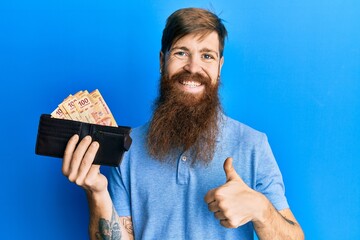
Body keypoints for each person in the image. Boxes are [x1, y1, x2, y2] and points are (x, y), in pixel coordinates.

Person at [62, 7, 304, 240]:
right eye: (181, 53)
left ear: (219, 67)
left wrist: (260, 209)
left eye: (207, 56)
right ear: (161, 61)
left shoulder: (253, 145)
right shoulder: (127, 149)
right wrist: (97, 192)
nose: (193, 67)